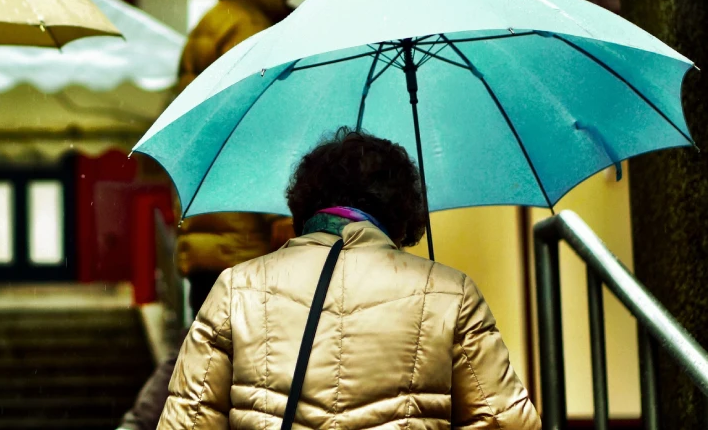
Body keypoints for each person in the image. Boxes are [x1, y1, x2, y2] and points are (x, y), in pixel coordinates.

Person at [158, 128, 540, 430]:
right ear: (402, 214)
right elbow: (506, 422)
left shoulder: (235, 289)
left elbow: (187, 422)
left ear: (303, 204)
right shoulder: (451, 293)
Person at [119, 0, 308, 430]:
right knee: (238, 359)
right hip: (245, 232)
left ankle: (141, 422)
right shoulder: (252, 30)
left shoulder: (215, 23)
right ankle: (142, 422)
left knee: (206, 349)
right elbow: (262, 133)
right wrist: (281, 215)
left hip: (210, 222)